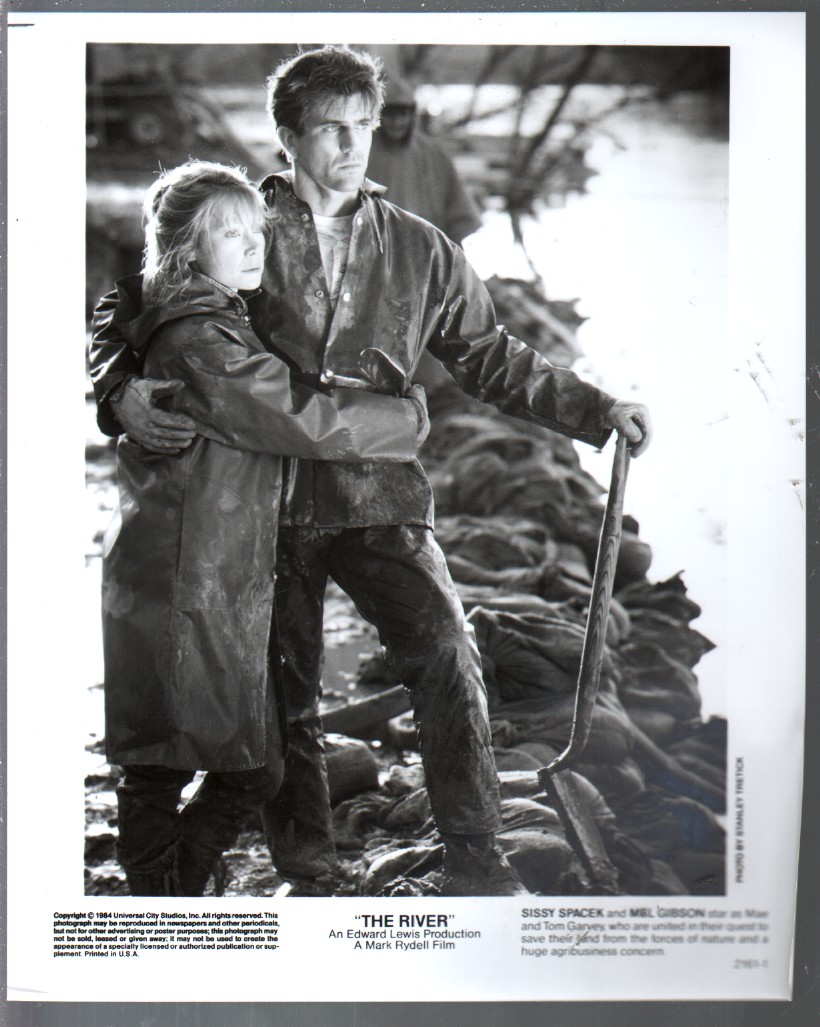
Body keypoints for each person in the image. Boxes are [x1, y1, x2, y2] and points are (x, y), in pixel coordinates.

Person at [91, 46, 652, 897]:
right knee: (285, 696)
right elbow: (129, 304)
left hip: (380, 494)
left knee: (448, 654)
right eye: (332, 129)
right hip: (262, 503)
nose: (354, 147)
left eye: (364, 126)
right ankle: (308, 872)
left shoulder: (420, 248)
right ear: (288, 137)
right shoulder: (233, 223)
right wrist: (118, 391)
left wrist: (594, 408)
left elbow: (490, 354)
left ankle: (477, 858)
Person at [101, 160, 428, 896]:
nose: (255, 246)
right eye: (231, 234)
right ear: (187, 249)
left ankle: (170, 888)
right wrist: (404, 421)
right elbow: (296, 416)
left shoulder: (203, 311)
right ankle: (165, 894)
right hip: (185, 574)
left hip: (196, 566)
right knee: (193, 765)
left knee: (188, 758)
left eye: (257, 230)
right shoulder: (202, 339)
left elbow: (121, 306)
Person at [366, 76, 482, 245]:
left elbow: (461, 213)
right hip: (378, 248)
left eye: (402, 114)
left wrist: (447, 248)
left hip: (425, 248)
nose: (396, 122)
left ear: (411, 115)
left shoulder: (434, 153)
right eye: (390, 115)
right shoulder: (364, 151)